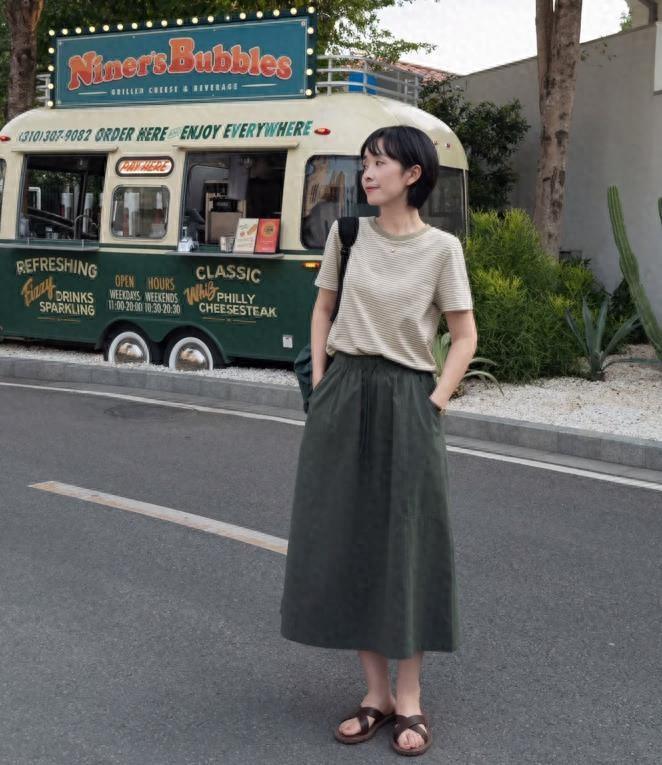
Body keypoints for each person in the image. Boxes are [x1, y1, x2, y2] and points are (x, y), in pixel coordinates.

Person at [280, 125, 478, 756]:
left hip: (409, 396)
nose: (366, 173)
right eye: (364, 162)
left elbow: (465, 335)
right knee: (352, 538)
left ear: (412, 174)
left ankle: (410, 698)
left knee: (409, 543)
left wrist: (435, 400)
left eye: (379, 163)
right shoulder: (346, 234)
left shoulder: (442, 249)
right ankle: (376, 694)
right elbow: (323, 309)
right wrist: (322, 383)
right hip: (345, 392)